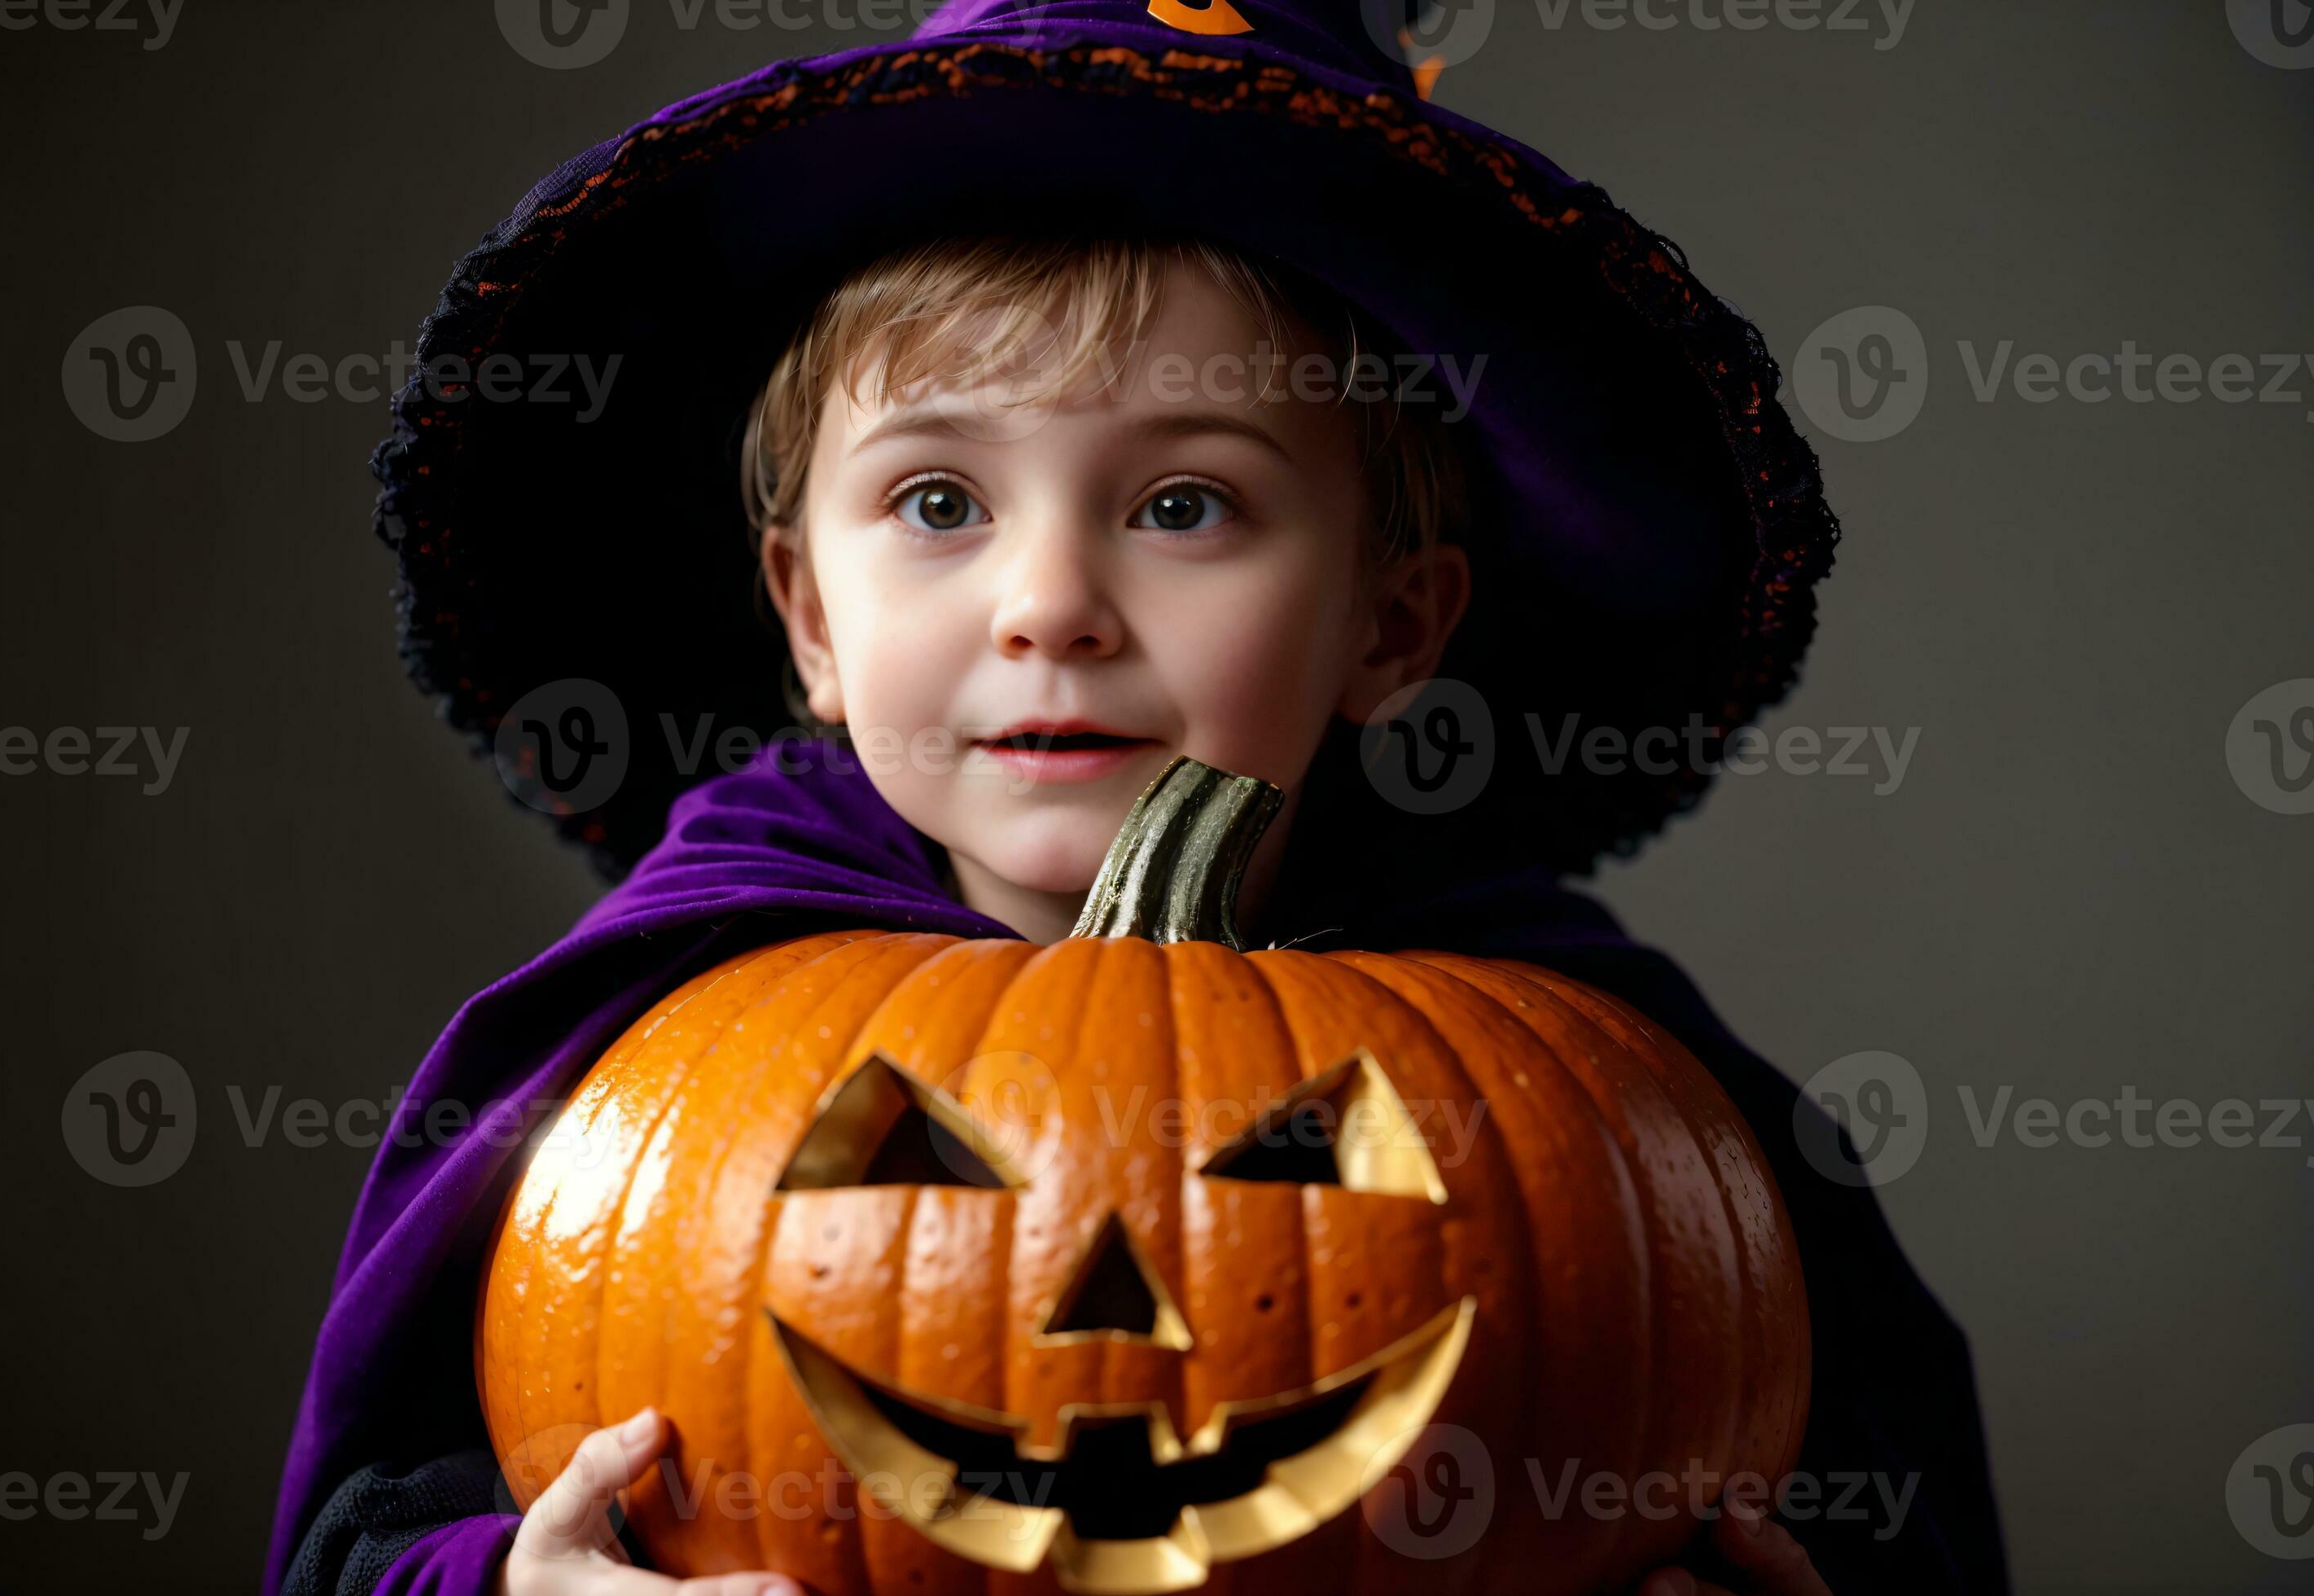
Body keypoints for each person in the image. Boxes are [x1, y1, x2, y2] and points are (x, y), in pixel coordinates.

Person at [271, 4, 2009, 1594]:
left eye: (1184, 506)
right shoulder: (669, 1024)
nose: (1050, 603)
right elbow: (370, 1524)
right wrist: (507, 1582)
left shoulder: (1576, 1057)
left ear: (1390, 624)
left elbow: (1856, 1496)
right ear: (809, 615)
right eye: (942, 501)